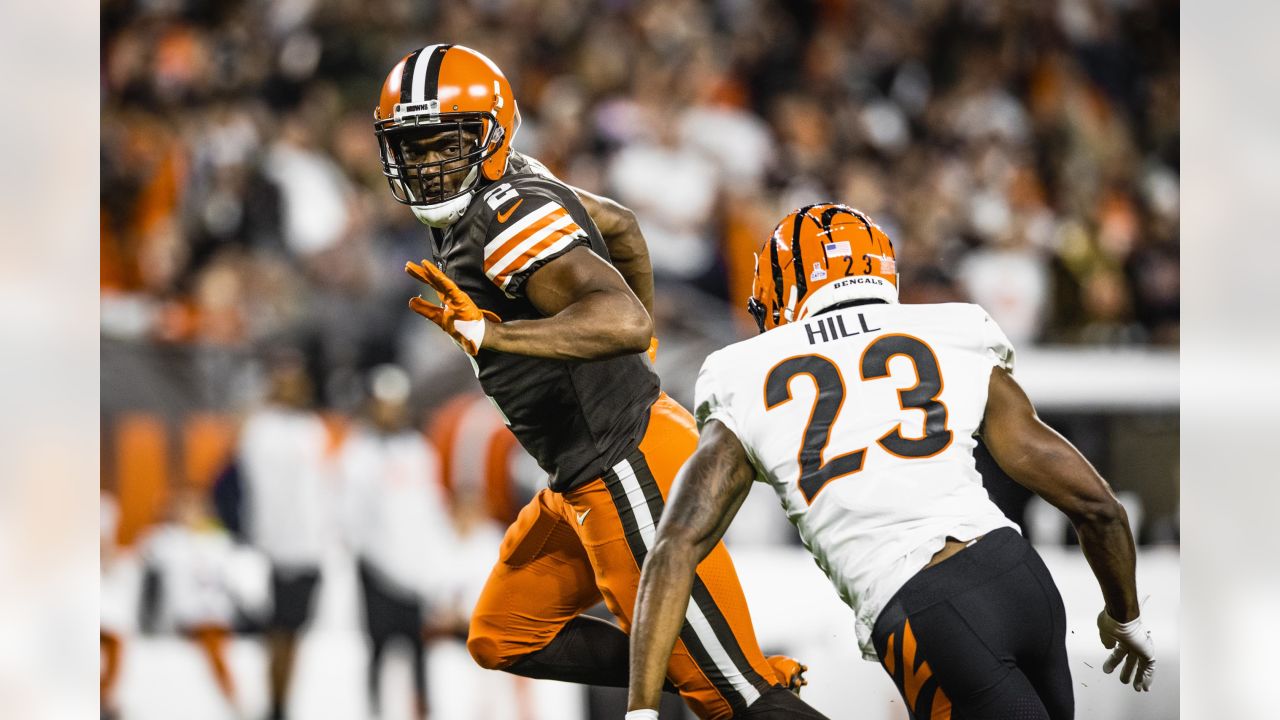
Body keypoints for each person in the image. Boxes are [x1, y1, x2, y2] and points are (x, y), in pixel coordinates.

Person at [372, 44, 824, 720]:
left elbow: (619, 315)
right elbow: (621, 227)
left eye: (444, 143)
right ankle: (712, 659)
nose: (426, 164)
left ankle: (722, 670)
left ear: (491, 135)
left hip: (622, 462)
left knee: (731, 701)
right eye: (411, 147)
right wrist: (636, 356)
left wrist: (499, 336)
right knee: (504, 634)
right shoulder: (516, 184)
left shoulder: (500, 220)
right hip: (586, 472)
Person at [626, 204, 1157, 719]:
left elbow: (675, 547)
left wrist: (642, 711)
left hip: (929, 608)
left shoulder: (742, 372)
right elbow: (1098, 506)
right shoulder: (951, 331)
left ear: (781, 288)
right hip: (1020, 578)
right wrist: (1125, 616)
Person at [337, 364, 453, 720]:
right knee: (378, 651)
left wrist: (432, 569)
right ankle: (373, 713)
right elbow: (349, 517)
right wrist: (371, 559)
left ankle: (421, 713)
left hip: (415, 574)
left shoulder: (419, 450)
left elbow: (431, 512)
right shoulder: (357, 452)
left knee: (419, 653)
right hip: (376, 570)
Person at [237, 349, 332, 720]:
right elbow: (256, 491)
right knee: (276, 634)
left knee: (293, 635)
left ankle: (281, 705)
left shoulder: (312, 429)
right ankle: (274, 705)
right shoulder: (261, 429)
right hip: (273, 550)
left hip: (308, 549)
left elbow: (321, 492)